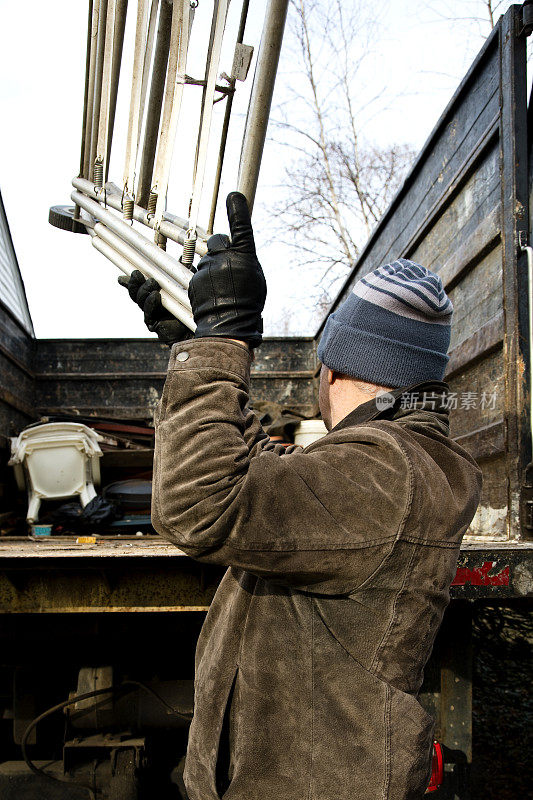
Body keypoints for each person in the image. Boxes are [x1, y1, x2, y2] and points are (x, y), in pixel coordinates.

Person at [120, 192, 482, 800]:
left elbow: (196, 503)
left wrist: (218, 349)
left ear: (336, 371)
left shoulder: (383, 471)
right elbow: (261, 478)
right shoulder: (390, 465)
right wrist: (198, 349)